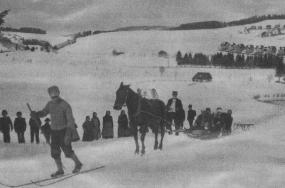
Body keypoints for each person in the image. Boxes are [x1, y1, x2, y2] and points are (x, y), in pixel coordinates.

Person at [31, 85, 82, 177]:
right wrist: (37, 114)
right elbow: (44, 112)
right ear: (50, 96)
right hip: (54, 131)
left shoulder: (65, 105)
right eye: (52, 96)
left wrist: (68, 134)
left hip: (64, 131)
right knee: (54, 151)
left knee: (67, 151)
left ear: (58, 94)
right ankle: (60, 170)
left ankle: (78, 163)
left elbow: (70, 120)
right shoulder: (49, 104)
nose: (54, 98)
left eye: (55, 96)